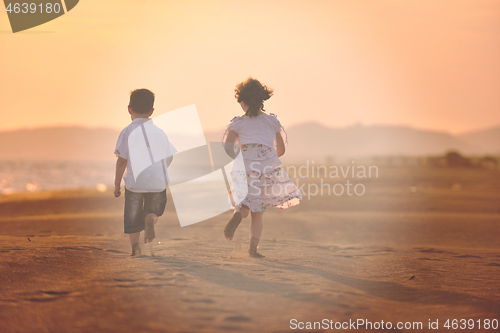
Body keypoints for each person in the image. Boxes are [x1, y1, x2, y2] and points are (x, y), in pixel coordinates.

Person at [222, 78, 302, 258]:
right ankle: (253, 249)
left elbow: (227, 148)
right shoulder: (272, 122)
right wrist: (268, 156)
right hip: (265, 167)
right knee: (257, 211)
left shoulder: (237, 124)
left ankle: (238, 214)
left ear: (243, 102)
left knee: (243, 203)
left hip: (244, 166)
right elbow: (281, 150)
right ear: (262, 100)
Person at [114, 89, 176, 256]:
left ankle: (136, 249)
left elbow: (121, 161)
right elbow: (169, 158)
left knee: (132, 218)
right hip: (157, 184)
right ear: (152, 111)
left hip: (135, 184)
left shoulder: (127, 132)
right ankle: (150, 219)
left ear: (129, 109)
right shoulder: (159, 132)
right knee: (154, 211)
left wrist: (116, 185)